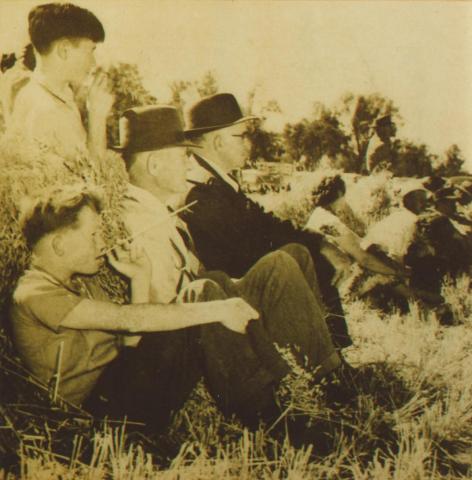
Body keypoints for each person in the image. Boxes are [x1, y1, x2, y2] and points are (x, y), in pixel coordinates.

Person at [115, 105, 351, 423]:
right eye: (182, 155)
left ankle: (326, 373)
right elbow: (162, 300)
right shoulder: (136, 219)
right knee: (215, 285)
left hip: (198, 314)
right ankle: (271, 407)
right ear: (154, 164)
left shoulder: (159, 211)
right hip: (179, 335)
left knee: (279, 264)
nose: (188, 163)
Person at [9, 185, 275, 432]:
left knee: (212, 282)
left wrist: (140, 278)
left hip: (123, 388)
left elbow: (130, 344)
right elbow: (129, 320)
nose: (102, 243)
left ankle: (276, 389)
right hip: (98, 415)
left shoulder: (82, 285)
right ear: (60, 245)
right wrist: (218, 310)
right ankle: (266, 416)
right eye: (93, 235)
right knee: (203, 295)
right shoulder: (34, 293)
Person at [181, 93, 352, 349]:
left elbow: (265, 224)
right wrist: (310, 249)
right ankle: (327, 359)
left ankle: (331, 353)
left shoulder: (218, 181)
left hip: (238, 286)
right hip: (229, 298)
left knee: (306, 252)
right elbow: (236, 256)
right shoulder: (200, 190)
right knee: (298, 254)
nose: (248, 144)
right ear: (217, 142)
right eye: (241, 136)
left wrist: (321, 241)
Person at [6, 3, 113, 161]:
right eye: (90, 51)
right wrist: (97, 117)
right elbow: (95, 179)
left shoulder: (42, 92)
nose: (93, 62)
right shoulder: (48, 111)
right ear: (64, 50)